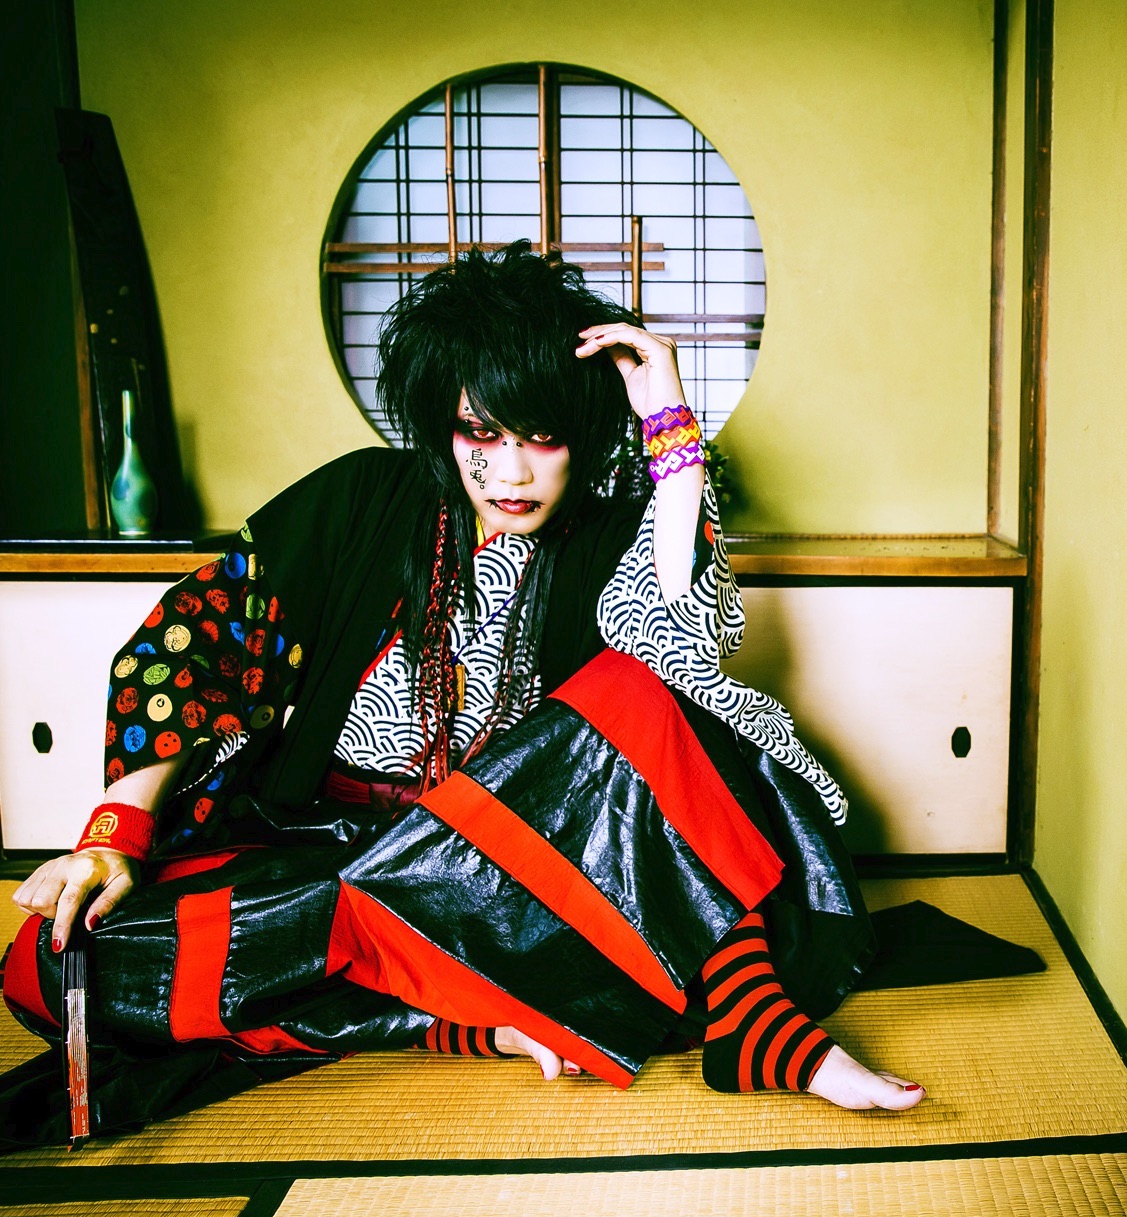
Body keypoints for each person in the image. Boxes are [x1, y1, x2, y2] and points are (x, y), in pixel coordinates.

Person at [2, 243, 923, 1149]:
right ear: (441, 424)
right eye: (480, 433)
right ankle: (462, 1022)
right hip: (335, 866)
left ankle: (754, 1021)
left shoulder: (603, 534)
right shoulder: (363, 498)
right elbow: (197, 640)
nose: (511, 474)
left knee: (646, 688)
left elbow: (684, 655)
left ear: (583, 436)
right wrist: (115, 832)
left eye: (542, 437)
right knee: (57, 962)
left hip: (507, 880)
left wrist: (671, 427)